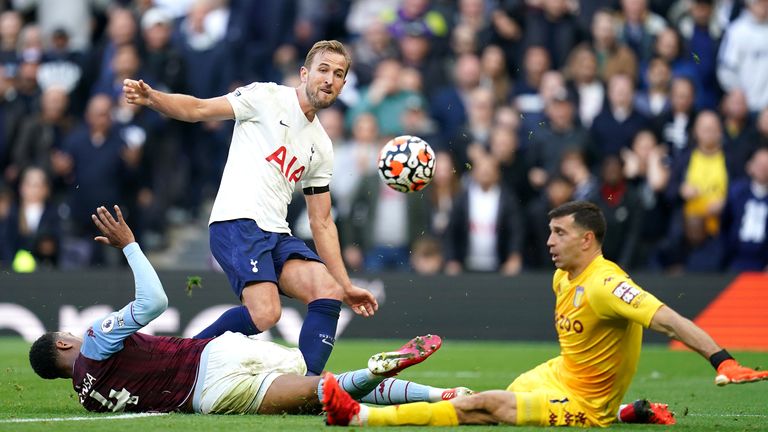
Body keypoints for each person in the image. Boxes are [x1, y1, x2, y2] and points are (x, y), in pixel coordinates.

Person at [323, 201, 768, 427]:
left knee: (486, 405)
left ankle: (360, 417)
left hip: (586, 403)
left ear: (588, 240)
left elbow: (670, 320)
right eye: (550, 232)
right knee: (492, 402)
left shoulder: (607, 284)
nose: (550, 241)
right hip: (560, 374)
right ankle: (631, 412)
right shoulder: (562, 277)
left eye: (560, 233)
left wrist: (722, 359)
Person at [28, 205, 470, 414]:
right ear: (65, 342)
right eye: (72, 331)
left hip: (208, 400)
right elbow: (154, 302)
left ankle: (436, 397)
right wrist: (131, 247)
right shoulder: (97, 340)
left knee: (315, 395)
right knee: (316, 385)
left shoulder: (89, 401)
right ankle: (384, 373)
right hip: (214, 359)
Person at [122, 40, 378, 376]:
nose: (330, 79)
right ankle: (173, 366)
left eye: (339, 74)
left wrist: (345, 284)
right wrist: (152, 98)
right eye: (323, 70)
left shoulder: (321, 146)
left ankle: (307, 386)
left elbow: (323, 221)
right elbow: (198, 109)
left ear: (344, 85)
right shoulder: (266, 98)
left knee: (327, 290)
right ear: (304, 73)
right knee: (265, 314)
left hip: (276, 232)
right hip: (236, 222)